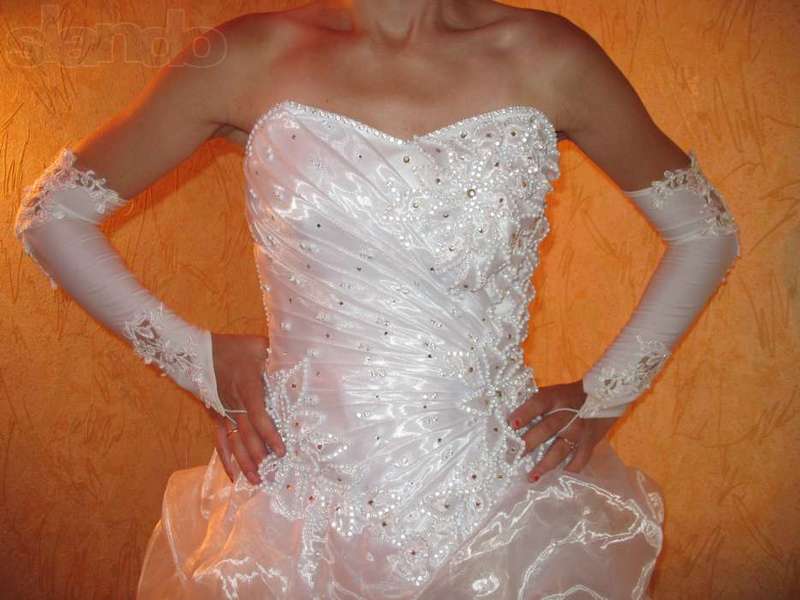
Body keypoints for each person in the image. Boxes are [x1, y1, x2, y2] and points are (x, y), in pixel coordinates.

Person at [12, 1, 741, 598]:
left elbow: (704, 232)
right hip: (293, 519)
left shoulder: (549, 55)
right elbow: (53, 214)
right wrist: (200, 361)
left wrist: (606, 395)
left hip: (500, 515)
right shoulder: (245, 55)